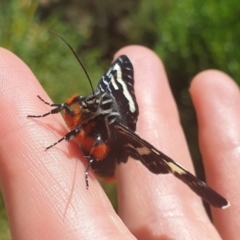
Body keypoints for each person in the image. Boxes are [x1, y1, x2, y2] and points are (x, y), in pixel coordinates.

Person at [0, 46, 238, 239]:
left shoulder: (113, 127)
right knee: (81, 114)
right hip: (100, 138)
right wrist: (52, 112)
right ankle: (49, 119)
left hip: (105, 157)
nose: (86, 102)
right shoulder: (91, 106)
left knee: (98, 134)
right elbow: (73, 101)